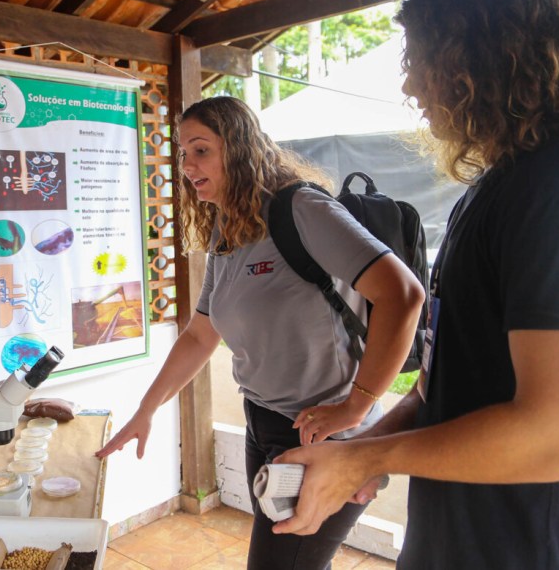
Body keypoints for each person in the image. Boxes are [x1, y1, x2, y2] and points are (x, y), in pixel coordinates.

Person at [272, 0, 559, 569]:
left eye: (420, 61)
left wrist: (368, 458)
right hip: (458, 539)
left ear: (479, 63)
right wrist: (365, 446)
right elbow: (449, 385)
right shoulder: (498, 187)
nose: (412, 86)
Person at [96, 95, 424, 569]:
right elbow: (199, 336)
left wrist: (356, 405)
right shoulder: (227, 228)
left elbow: (404, 295)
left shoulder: (301, 208)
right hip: (264, 424)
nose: (187, 164)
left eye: (201, 149)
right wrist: (146, 411)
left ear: (240, 147)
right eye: (182, 152)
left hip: (323, 436)